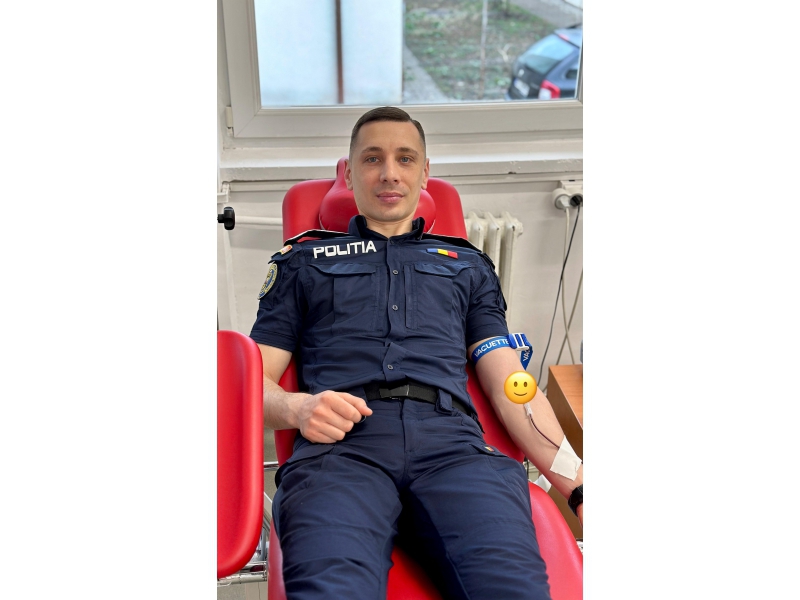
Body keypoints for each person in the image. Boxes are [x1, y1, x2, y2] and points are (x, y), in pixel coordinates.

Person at [250, 106, 583, 599]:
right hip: (341, 449)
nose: (389, 172)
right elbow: (249, 385)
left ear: (424, 172)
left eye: (405, 158)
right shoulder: (303, 262)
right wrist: (298, 408)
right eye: (372, 158)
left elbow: (512, 384)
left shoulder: (468, 265)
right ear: (349, 174)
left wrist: (579, 485)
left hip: (455, 449)